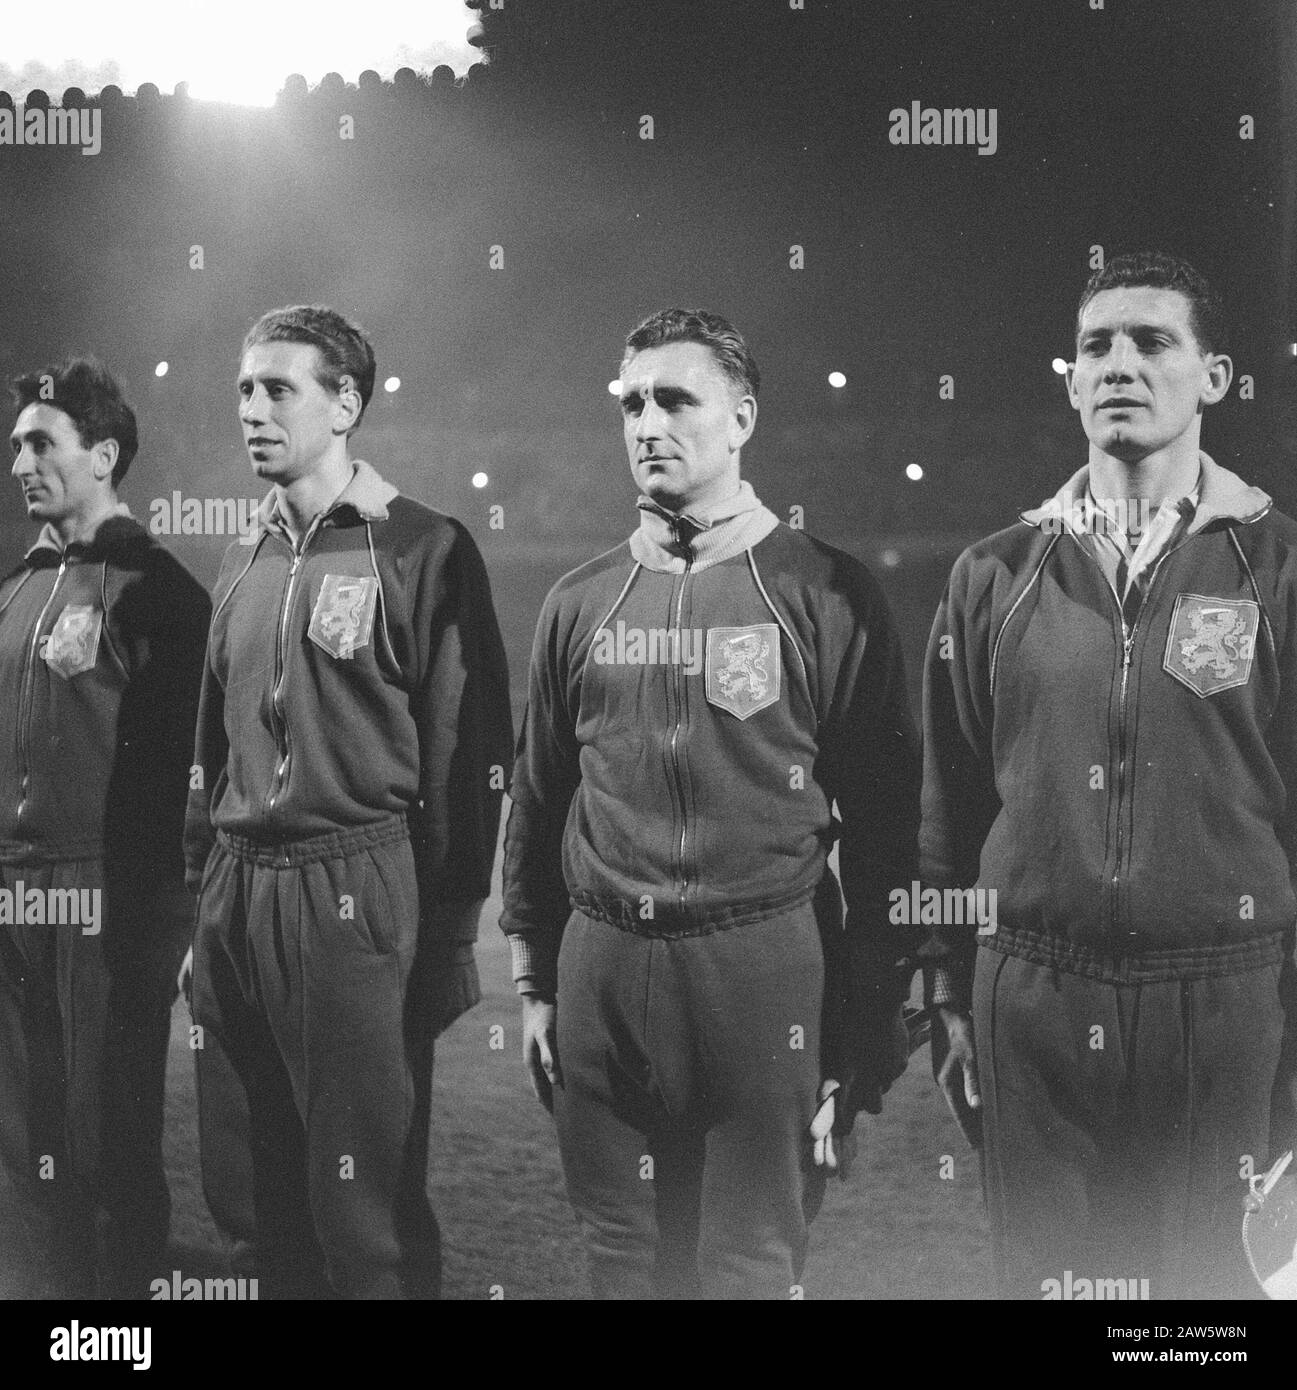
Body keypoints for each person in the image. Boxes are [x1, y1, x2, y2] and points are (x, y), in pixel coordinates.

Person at [501, 307, 920, 1299]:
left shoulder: (828, 593)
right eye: (632, 404)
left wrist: (867, 1019)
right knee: (622, 1261)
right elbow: (537, 796)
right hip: (603, 966)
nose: (646, 422)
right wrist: (532, 979)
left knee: (746, 1267)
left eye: (673, 399)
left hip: (766, 965)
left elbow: (886, 827)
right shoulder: (578, 601)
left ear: (740, 418)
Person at [921, 251, 1297, 1299]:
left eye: (1152, 341)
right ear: (1072, 378)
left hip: (1223, 1000)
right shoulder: (992, 572)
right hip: (1031, 992)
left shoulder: (1279, 569)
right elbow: (950, 803)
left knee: (1205, 1305)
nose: (1119, 364)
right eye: (1097, 346)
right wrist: (948, 994)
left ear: (1213, 378)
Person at [183, 305, 512, 1299]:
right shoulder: (240, 554)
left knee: (361, 1217)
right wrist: (203, 901)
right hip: (237, 893)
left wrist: (453, 930)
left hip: (352, 885)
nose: (252, 408)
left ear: (346, 404)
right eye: (243, 388)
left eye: (278, 388)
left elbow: (469, 753)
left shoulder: (422, 548)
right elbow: (214, 748)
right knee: (246, 1203)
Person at [0, 358, 209, 1298]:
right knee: (19, 1143)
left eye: (42, 442)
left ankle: (118, 1338)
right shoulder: (11, 592)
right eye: (15, 446)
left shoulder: (158, 591)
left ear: (105, 455)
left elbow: (183, 782)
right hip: (6, 895)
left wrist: (163, 916)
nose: (19, 463)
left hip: (104, 901)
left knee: (104, 1143)